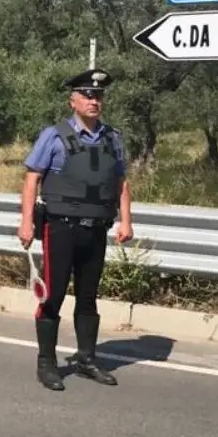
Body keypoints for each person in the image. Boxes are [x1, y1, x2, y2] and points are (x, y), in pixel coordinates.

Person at [17, 68, 133, 391]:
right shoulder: (53, 136)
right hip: (60, 229)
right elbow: (31, 180)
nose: (94, 100)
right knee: (52, 296)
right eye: (88, 95)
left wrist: (126, 221)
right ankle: (47, 363)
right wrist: (26, 221)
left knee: (88, 298)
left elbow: (121, 182)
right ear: (73, 101)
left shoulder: (113, 138)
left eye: (98, 96)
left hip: (96, 230)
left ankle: (87, 360)